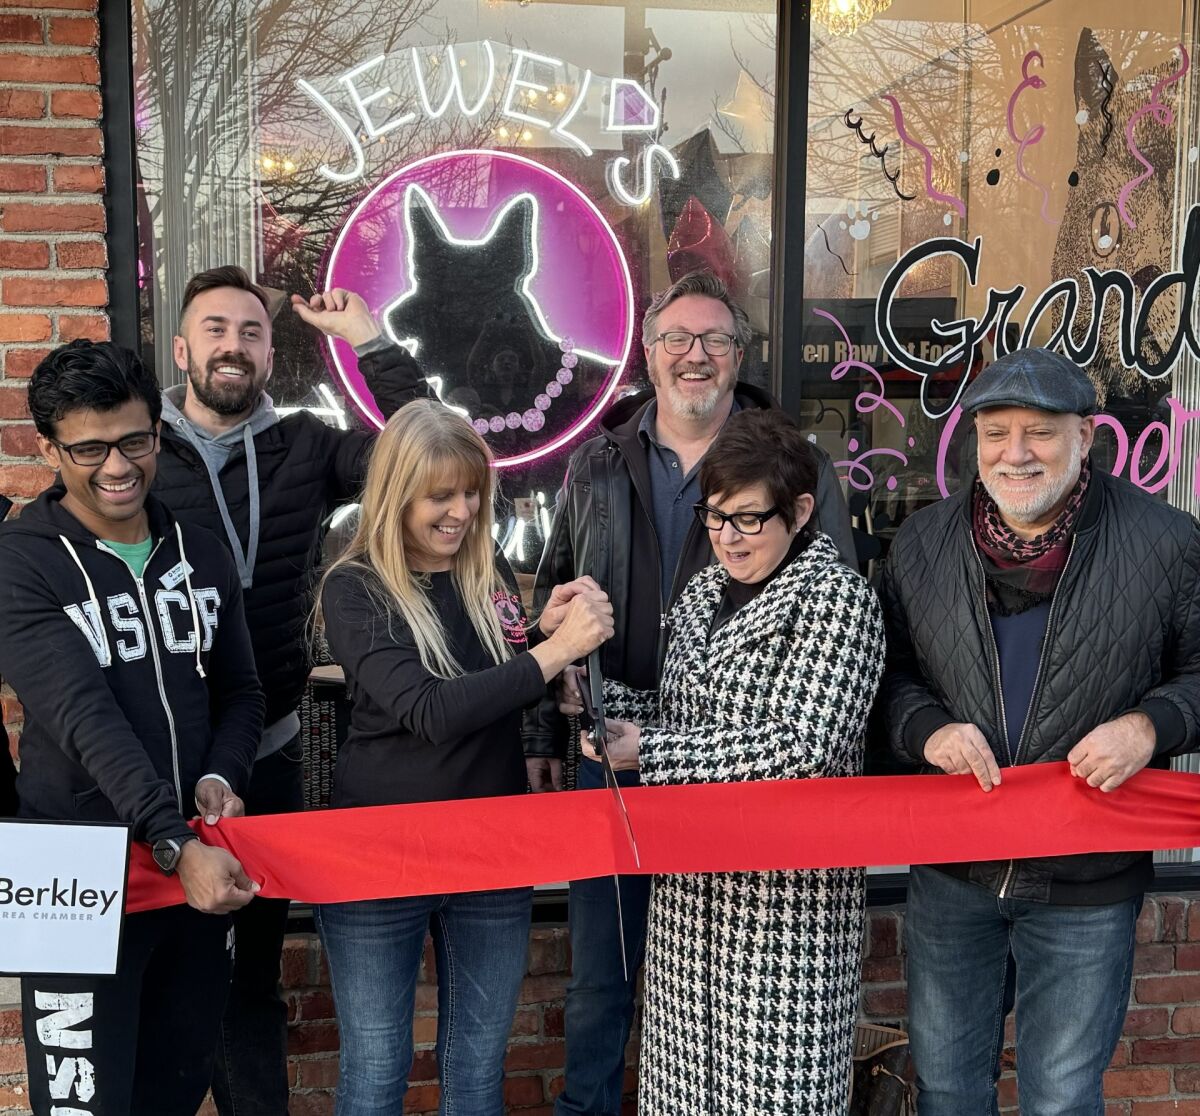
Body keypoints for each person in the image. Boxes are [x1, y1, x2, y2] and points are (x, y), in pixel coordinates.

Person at [525, 269, 856, 1116]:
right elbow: (551, 602)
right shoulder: (595, 461)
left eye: (713, 339)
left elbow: (829, 621)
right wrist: (544, 727)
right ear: (648, 352)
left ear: (739, 354)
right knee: (609, 977)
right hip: (612, 753)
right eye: (676, 338)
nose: (694, 355)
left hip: (736, 776)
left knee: (729, 999)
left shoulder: (795, 463)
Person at [878, 347, 1200, 1115]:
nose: (1014, 453)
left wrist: (1146, 729)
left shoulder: (1167, 542)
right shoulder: (919, 545)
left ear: (1085, 437)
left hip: (1086, 878)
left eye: (1039, 433)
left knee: (1060, 1098)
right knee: (949, 1092)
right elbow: (886, 679)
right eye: (995, 433)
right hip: (953, 870)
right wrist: (925, 732)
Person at [157, 265, 434, 1115]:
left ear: (272, 351)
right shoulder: (139, 454)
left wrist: (371, 342)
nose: (232, 347)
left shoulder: (306, 445)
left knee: (255, 981)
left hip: (270, 753)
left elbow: (430, 447)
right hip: (160, 764)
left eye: (250, 332)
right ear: (182, 348)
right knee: (168, 974)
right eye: (215, 330)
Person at [566, 409, 884, 1115]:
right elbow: (682, 710)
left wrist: (646, 749)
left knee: (777, 1100)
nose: (727, 539)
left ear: (800, 511)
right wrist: (590, 691)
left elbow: (800, 749)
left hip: (784, 916)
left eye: (748, 519)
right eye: (714, 518)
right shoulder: (704, 592)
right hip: (687, 903)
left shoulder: (838, 601)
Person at [313, 400, 613, 1116]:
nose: (462, 510)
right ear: (395, 493)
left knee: (478, 1072)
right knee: (379, 1070)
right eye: (440, 495)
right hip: (376, 851)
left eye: (472, 491)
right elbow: (431, 711)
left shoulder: (489, 572)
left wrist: (550, 664)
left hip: (489, 848)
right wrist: (552, 655)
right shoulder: (354, 589)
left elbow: (497, 671)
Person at [0, 340, 265, 1115]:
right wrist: (173, 840)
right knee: (85, 1105)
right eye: (88, 447)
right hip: (71, 876)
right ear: (48, 447)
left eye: (135, 441)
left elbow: (243, 691)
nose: (118, 467)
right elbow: (84, 718)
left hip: (192, 871)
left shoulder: (201, 553)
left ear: (158, 431)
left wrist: (221, 777)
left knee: (172, 1091)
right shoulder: (21, 563)